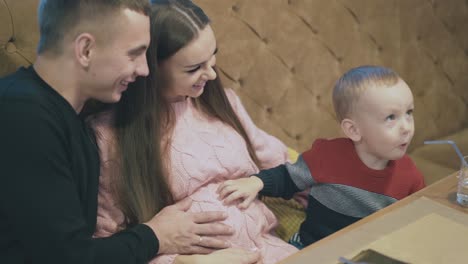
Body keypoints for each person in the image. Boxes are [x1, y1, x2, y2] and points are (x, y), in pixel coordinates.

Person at [0, 1, 237, 263]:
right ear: (86, 50)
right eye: (134, 54)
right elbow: (67, 257)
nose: (144, 70)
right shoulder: (22, 117)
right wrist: (156, 236)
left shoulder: (65, 118)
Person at [90, 0, 298, 263]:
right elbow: (109, 246)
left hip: (268, 249)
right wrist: (180, 262)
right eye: (194, 68)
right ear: (149, 70)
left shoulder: (222, 102)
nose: (211, 75)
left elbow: (280, 161)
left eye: (212, 58)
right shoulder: (108, 138)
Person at [217, 65, 426, 248]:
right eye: (391, 117)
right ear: (353, 130)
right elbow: (288, 177)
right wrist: (256, 182)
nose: (406, 127)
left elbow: (417, 221)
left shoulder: (410, 175)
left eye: (409, 113)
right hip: (311, 246)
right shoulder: (327, 156)